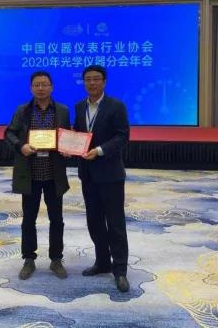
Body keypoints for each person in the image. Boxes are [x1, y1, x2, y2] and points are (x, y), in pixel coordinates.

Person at [4, 71, 71, 280]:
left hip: (53, 174)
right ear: (31, 88)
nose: (41, 88)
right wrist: (20, 146)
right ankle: (29, 259)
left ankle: (56, 259)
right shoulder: (22, 110)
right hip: (30, 174)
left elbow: (67, 135)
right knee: (28, 219)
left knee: (57, 219)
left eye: (45, 84)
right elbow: (9, 133)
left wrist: (68, 147)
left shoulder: (62, 110)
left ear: (52, 87)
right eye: (37, 84)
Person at [73, 65, 131, 293]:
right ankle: (102, 262)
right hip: (88, 174)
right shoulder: (80, 106)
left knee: (115, 223)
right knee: (94, 221)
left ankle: (120, 270)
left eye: (96, 79)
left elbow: (122, 137)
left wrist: (98, 151)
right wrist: (70, 145)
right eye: (88, 79)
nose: (92, 83)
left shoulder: (116, 106)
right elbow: (79, 134)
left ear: (104, 82)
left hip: (110, 174)